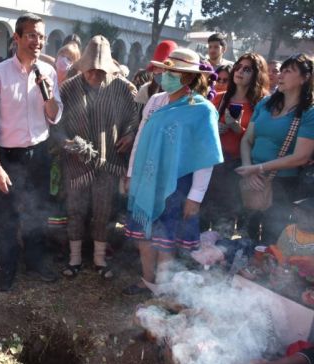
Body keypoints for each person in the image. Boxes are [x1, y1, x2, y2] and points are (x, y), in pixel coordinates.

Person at [123, 48, 223, 295]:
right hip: (147, 179)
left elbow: (205, 157)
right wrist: (131, 173)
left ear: (188, 77)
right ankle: (147, 281)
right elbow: (140, 139)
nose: (165, 75)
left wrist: (195, 196)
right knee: (144, 235)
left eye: (172, 71)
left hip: (177, 183)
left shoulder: (202, 109)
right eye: (165, 70)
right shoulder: (156, 101)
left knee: (164, 241)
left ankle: (163, 289)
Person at [0, 13, 63, 292]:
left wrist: (48, 94)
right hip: (8, 155)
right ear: (16, 38)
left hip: (39, 152)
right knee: (7, 215)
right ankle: (8, 268)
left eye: (41, 36)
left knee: (37, 213)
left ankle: (36, 262)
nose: (37, 41)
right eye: (31, 35)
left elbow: (53, 117)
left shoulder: (48, 73)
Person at [58, 35, 139, 279]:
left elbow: (134, 120)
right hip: (76, 162)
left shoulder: (122, 88)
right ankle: (74, 259)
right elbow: (56, 124)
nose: (95, 75)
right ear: (83, 66)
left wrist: (130, 134)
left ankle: (99, 258)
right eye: (91, 70)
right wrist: (66, 142)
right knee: (76, 209)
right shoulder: (69, 88)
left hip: (109, 160)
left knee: (104, 211)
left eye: (100, 71)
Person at [235, 53, 314, 244]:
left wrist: (258, 169)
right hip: (251, 178)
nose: (281, 74)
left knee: (271, 239)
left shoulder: (309, 112)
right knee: (245, 235)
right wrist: (249, 169)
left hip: (282, 185)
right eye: (282, 70)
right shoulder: (265, 103)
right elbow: (247, 140)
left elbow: (300, 157)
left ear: (305, 78)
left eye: (288, 71)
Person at [202, 53, 270, 230]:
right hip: (213, 164)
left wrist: (240, 130)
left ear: (257, 74)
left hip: (240, 168)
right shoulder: (218, 97)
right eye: (238, 67)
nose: (239, 71)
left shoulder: (263, 103)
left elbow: (264, 138)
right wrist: (214, 128)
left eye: (247, 69)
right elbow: (201, 130)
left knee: (227, 221)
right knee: (203, 215)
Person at [134, 40, 178, 106]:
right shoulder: (146, 90)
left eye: (162, 68)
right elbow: (138, 114)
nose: (157, 72)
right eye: (155, 67)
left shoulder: (179, 94)